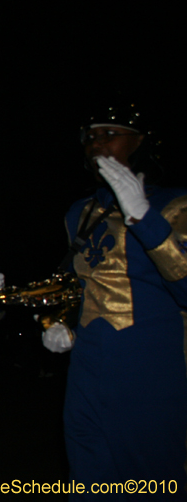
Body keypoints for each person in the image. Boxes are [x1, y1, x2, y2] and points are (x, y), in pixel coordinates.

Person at [42, 102, 187, 499]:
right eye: (90, 136)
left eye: (110, 134)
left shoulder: (176, 204)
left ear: (140, 142)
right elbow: (81, 283)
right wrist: (65, 321)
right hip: (88, 365)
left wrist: (145, 216)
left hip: (149, 366)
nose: (96, 144)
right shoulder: (80, 211)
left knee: (152, 476)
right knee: (89, 474)